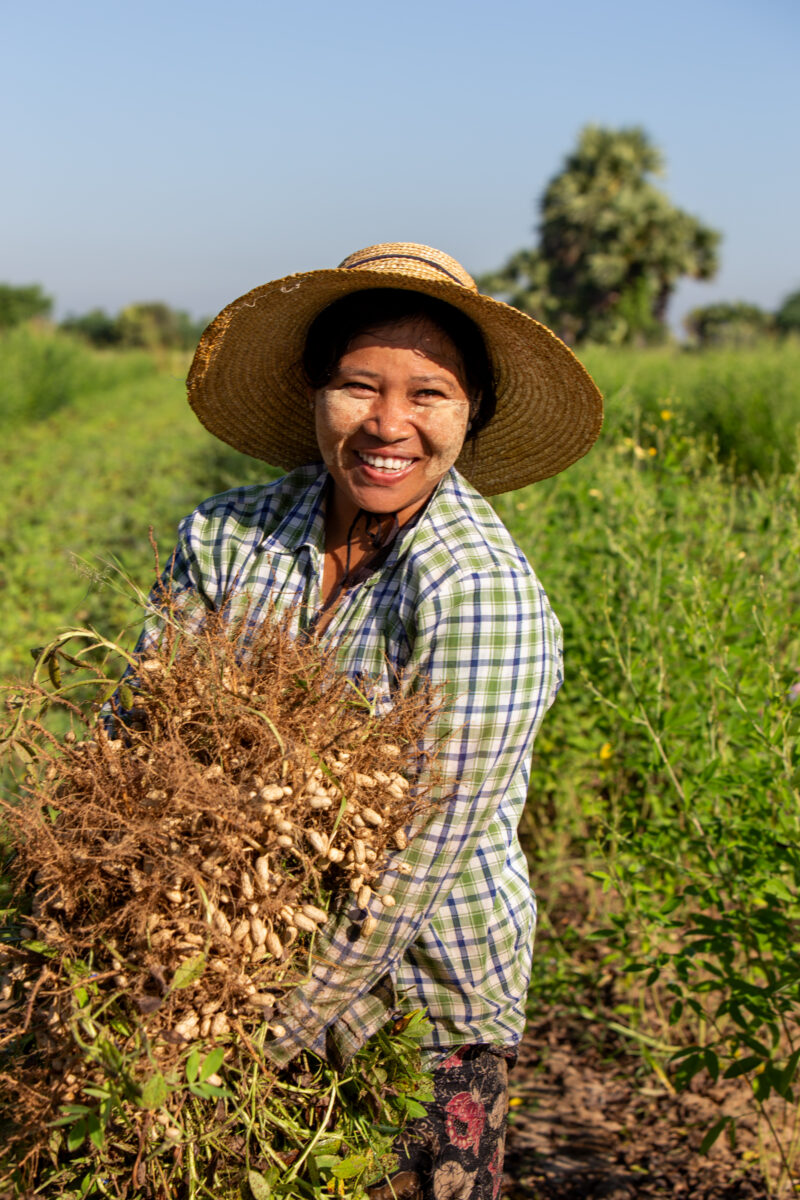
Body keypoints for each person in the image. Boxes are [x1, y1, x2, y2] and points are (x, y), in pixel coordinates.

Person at [157, 243, 602, 1200]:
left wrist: (262, 1036)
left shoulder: (475, 590)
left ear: (469, 412)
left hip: (416, 1007)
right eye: (360, 385)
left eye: (428, 393)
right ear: (315, 393)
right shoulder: (230, 535)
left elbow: (415, 864)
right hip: (220, 962)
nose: (388, 423)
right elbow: (144, 735)